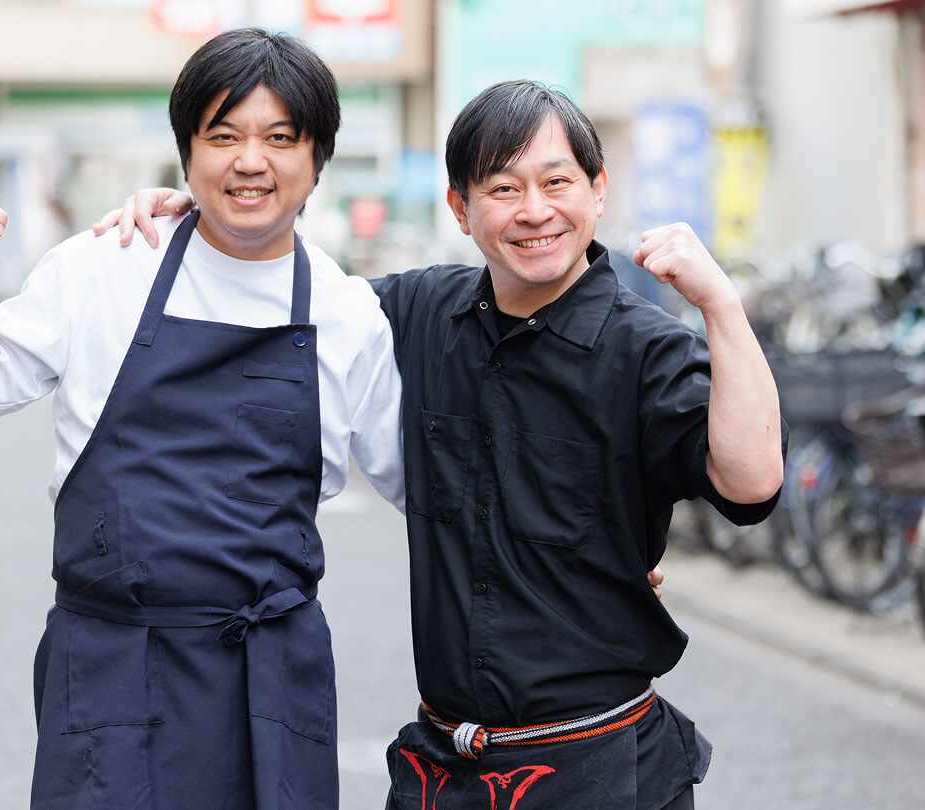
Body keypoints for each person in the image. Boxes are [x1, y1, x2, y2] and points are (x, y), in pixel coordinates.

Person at [106, 78, 786, 809]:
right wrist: (208, 214)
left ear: (597, 190)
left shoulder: (644, 348)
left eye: (557, 182)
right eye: (502, 187)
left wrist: (719, 302)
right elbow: (285, 290)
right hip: (445, 769)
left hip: (602, 766)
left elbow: (750, 484)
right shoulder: (421, 312)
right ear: (461, 209)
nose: (534, 211)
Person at [0, 28, 407, 810]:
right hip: (112, 667)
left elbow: (433, 494)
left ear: (317, 161)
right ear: (187, 153)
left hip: (271, 678)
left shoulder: (347, 312)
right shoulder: (104, 266)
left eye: (280, 138)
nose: (251, 161)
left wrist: (596, 556)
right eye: (224, 135)